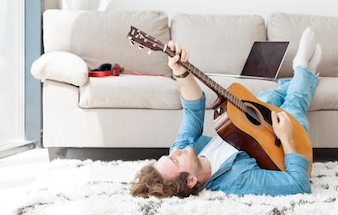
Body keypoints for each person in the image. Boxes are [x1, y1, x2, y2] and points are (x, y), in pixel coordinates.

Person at [130, 27, 322, 198]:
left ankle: (305, 77)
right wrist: (286, 138)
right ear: (190, 181)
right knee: (292, 108)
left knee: (264, 100)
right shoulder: (237, 181)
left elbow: (193, 109)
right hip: (282, 141)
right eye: (174, 160)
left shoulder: (185, 147)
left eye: (169, 155)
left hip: (257, 127)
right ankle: (302, 69)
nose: (176, 150)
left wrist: (180, 71)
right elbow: (299, 184)